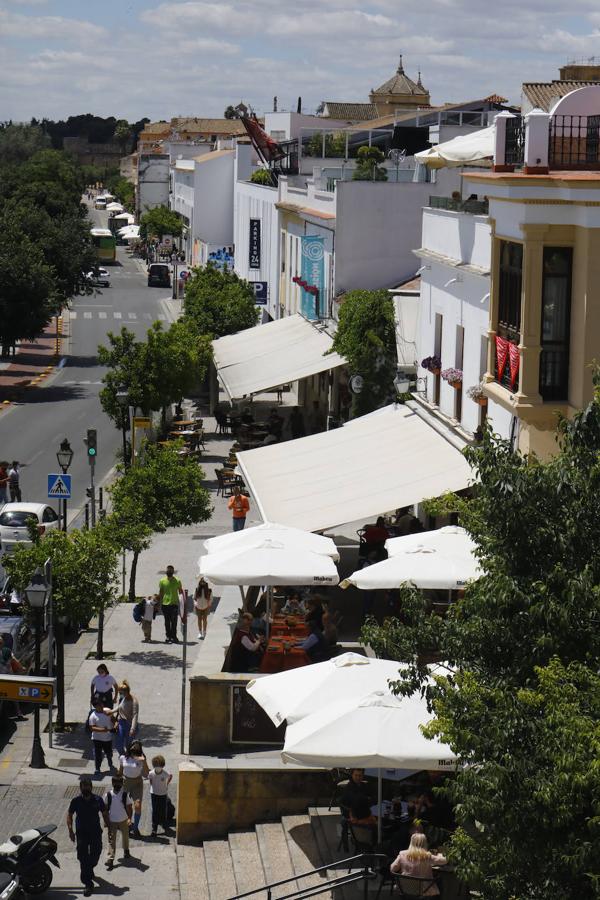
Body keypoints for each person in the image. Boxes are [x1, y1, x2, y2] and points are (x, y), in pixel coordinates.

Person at [67, 777, 109, 896]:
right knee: (83, 856)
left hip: (95, 832)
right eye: (84, 787)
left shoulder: (98, 799)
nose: (86, 789)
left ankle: (89, 869)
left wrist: (109, 826)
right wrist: (70, 830)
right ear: (80, 788)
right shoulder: (76, 801)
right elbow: (69, 815)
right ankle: (88, 883)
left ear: (91, 787)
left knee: (96, 852)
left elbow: (104, 813)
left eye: (88, 786)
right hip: (82, 833)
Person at [118, 740, 149, 838]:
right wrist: (117, 782)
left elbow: (146, 773)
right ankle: (127, 822)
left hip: (137, 783)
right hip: (126, 782)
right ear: (129, 747)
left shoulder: (141, 759)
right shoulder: (123, 758)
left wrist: (144, 761)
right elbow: (120, 771)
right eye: (133, 747)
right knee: (124, 805)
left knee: (138, 805)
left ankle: (135, 828)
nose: (135, 749)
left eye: (137, 748)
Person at [105, 775, 132, 870]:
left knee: (125, 836)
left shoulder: (125, 794)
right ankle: (111, 859)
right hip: (112, 821)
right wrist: (106, 821)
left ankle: (126, 850)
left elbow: (129, 807)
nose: (117, 785)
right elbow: (105, 809)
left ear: (122, 784)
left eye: (119, 783)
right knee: (111, 840)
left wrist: (129, 818)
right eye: (115, 783)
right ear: (112, 783)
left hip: (123, 819)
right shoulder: (108, 795)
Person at [109, 681, 139, 755]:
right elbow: (120, 707)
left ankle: (128, 758)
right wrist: (111, 711)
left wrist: (132, 729)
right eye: (119, 693)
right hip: (121, 723)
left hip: (129, 724)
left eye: (121, 693)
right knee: (118, 744)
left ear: (127, 692)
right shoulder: (124, 698)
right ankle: (123, 756)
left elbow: (135, 715)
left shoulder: (134, 701)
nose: (120, 695)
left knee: (128, 745)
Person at [88, 698, 115, 776]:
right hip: (97, 739)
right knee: (97, 754)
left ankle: (109, 759)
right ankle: (97, 768)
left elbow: (113, 719)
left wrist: (115, 724)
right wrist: (102, 730)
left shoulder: (107, 710)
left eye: (101, 704)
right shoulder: (93, 716)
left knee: (108, 752)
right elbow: (92, 728)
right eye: (99, 705)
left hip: (107, 738)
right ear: (95, 707)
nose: (101, 706)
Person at [148, 754, 173, 838]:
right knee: (155, 810)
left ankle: (163, 823)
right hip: (154, 794)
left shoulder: (165, 773)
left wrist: (166, 784)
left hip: (163, 794)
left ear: (162, 765)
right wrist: (153, 786)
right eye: (156, 765)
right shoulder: (151, 773)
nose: (158, 767)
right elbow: (150, 780)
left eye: (159, 765)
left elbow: (170, 776)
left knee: (163, 809)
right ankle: (154, 827)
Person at [158, 565, 184, 644]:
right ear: (166, 572)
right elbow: (161, 592)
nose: (169, 572)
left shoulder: (177, 581)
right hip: (165, 604)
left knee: (174, 621)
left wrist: (182, 603)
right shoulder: (162, 581)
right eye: (168, 571)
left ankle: (174, 636)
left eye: (170, 571)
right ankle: (168, 636)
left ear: (173, 572)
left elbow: (180, 592)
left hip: (174, 604)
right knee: (167, 622)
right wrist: (159, 604)